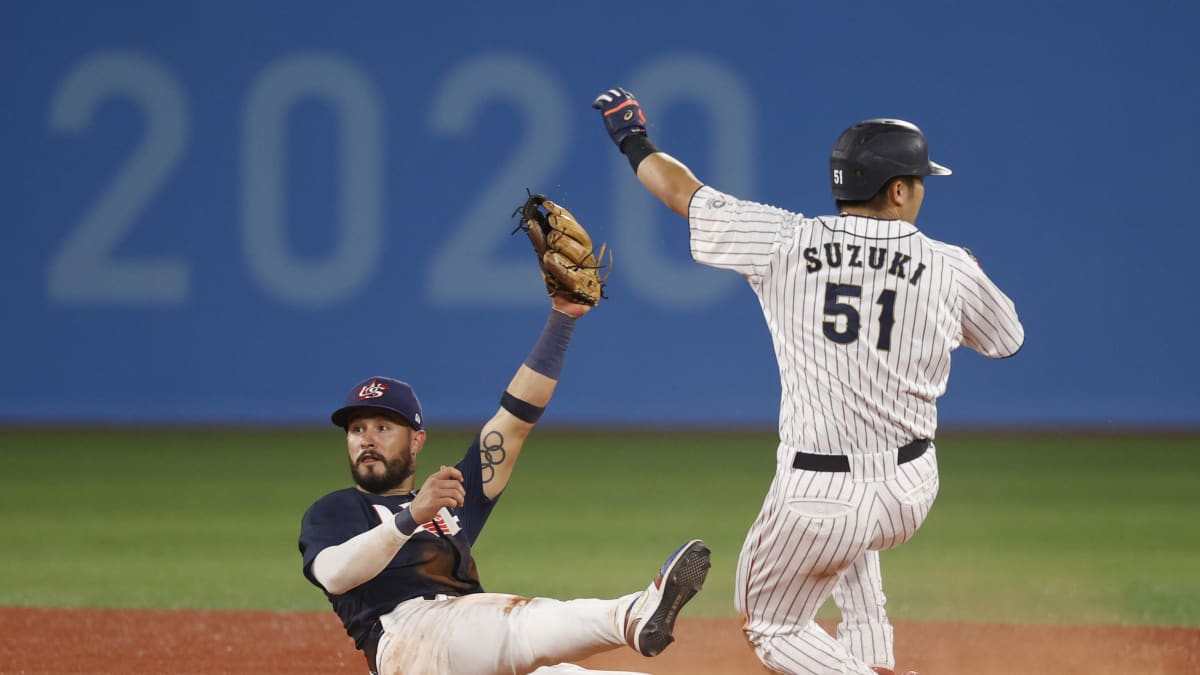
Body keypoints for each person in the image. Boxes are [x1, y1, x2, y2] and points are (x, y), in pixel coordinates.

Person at [592, 87, 1024, 675]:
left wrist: (631, 138)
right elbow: (1006, 339)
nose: (922, 189)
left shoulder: (785, 239)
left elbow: (684, 197)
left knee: (770, 625)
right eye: (920, 179)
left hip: (819, 495)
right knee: (851, 548)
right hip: (911, 488)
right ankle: (875, 656)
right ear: (897, 190)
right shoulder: (948, 265)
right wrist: (955, 278)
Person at [298, 290, 711, 675]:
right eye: (357, 430)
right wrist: (411, 517)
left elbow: (513, 421)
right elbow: (334, 575)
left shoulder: (450, 497)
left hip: (472, 644)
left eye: (383, 426)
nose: (366, 439)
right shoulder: (335, 510)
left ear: (417, 439)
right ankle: (631, 616)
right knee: (516, 623)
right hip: (409, 643)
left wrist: (563, 319)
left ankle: (632, 618)